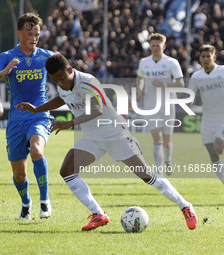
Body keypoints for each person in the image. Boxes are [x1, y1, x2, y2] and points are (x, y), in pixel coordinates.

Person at [15, 54, 198, 231]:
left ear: (70, 70)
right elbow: (62, 97)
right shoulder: (63, 82)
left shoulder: (88, 81)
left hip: (115, 133)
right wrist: (37, 109)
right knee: (67, 170)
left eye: (63, 78)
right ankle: (98, 214)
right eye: (56, 81)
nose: (61, 83)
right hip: (91, 136)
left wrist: (70, 123)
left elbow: (97, 109)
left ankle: (185, 206)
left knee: (147, 176)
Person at [0, 13, 54, 220]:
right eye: (29, 34)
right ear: (19, 33)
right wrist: (5, 71)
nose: (33, 38)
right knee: (19, 174)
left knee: (37, 150)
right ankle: (26, 203)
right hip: (16, 120)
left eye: (37, 34)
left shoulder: (46, 56)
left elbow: (67, 74)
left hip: (39, 116)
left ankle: (45, 201)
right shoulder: (7, 57)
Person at [136, 33, 185, 175]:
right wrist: (140, 90)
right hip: (150, 105)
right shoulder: (144, 62)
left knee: (166, 142)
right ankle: (159, 174)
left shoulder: (171, 62)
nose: (156, 48)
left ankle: (168, 160)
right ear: (150, 47)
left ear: (164, 46)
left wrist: (163, 84)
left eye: (158, 45)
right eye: (153, 46)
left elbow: (180, 83)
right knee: (157, 139)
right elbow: (140, 78)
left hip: (168, 105)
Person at [188, 44, 224, 185]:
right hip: (207, 119)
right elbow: (191, 95)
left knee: (218, 147)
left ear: (214, 57)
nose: (205, 59)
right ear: (200, 59)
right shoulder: (196, 76)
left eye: (208, 56)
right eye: (203, 57)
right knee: (213, 153)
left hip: (222, 118)